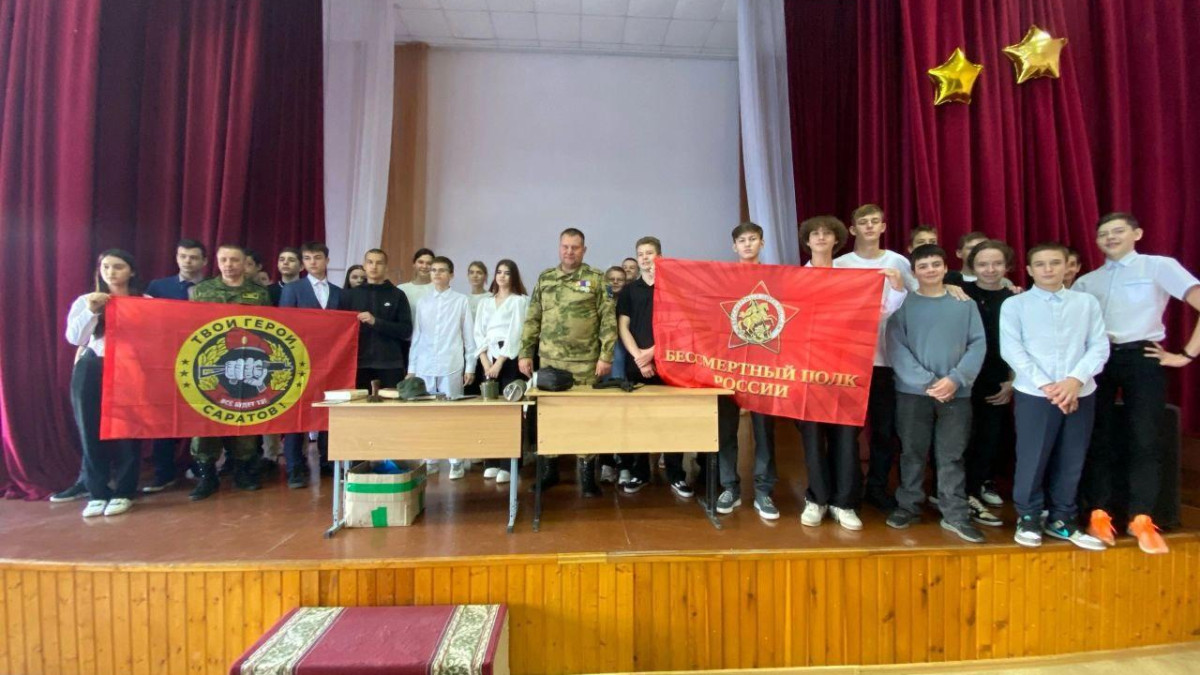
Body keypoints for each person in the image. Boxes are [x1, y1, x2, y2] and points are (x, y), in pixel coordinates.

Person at [1073, 212, 1200, 554]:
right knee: (1097, 435)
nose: (1110, 238)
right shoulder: (1087, 282)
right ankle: (1099, 513)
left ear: (1137, 233)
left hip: (1142, 356)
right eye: (1104, 233)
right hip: (1098, 359)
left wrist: (1185, 354)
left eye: (1118, 231)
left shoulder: (1159, 266)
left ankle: (1141, 517)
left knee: (1145, 437)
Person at [798, 217, 906, 531]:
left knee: (846, 436)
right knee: (812, 436)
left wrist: (897, 289)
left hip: (848, 368)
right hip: (808, 369)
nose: (821, 238)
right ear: (807, 241)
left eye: (827, 233)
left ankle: (844, 502)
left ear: (837, 240)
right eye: (815, 233)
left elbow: (879, 312)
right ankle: (817, 499)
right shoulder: (795, 278)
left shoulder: (853, 276)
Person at [1000, 243, 1108, 551]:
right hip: (1035, 394)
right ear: (1030, 270)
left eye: (1055, 263)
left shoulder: (1086, 302)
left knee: (1072, 457)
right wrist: (1048, 386)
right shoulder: (1016, 305)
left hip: (1080, 391)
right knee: (1033, 457)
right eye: (1041, 264)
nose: (1048, 269)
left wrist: (1075, 380)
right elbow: (1012, 350)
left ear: (1068, 267)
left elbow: (1098, 345)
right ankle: (1029, 517)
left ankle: (1062, 519)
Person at [884, 244, 987, 543]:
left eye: (935, 264)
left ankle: (954, 514)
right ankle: (908, 506)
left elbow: (978, 343)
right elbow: (897, 348)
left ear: (945, 268)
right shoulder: (903, 305)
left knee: (951, 455)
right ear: (914, 272)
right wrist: (928, 382)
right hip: (913, 394)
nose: (930, 270)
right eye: (923, 266)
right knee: (912, 452)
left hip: (957, 393)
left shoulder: (964, 303)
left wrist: (955, 379)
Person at [519, 228, 616, 497]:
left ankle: (587, 477)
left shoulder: (597, 279)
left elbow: (608, 320)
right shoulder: (545, 278)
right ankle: (549, 472)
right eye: (565, 246)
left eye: (575, 247)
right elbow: (533, 318)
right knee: (549, 417)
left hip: (585, 363)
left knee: (586, 418)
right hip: (550, 362)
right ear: (559, 247)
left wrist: (606, 356)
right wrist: (525, 352)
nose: (569, 252)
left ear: (584, 250)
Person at [835, 204, 918, 512]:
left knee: (884, 430)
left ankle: (878, 487)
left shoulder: (898, 262)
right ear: (853, 229)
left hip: (887, 359)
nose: (869, 226)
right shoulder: (840, 264)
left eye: (875, 222)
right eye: (863, 222)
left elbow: (920, 296)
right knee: (847, 432)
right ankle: (849, 488)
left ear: (883, 227)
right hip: (849, 361)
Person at [186, 244, 272, 501]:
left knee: (244, 420)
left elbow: (269, 328)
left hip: (245, 366)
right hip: (209, 364)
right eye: (223, 259)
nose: (228, 264)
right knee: (206, 422)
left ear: (244, 263)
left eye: (234, 260)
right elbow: (189, 326)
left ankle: (242, 472)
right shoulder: (202, 291)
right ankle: (207, 476)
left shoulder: (259, 294)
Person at [62, 249, 142, 517]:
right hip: (92, 365)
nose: (111, 272)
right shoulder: (86, 300)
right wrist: (91, 311)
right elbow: (75, 338)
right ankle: (96, 492)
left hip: (130, 369)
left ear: (131, 271)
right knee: (89, 428)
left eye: (118, 266)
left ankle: (125, 491)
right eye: (106, 267)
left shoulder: (145, 302)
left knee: (128, 430)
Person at [713, 222, 783, 519]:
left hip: (764, 366)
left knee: (764, 431)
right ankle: (729, 486)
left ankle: (764, 490)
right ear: (734, 246)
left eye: (753, 239)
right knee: (726, 429)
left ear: (762, 243)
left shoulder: (777, 277)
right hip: (728, 365)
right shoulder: (723, 278)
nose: (747, 244)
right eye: (742, 240)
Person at [137, 238, 208, 495]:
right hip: (166, 360)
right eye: (183, 256)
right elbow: (146, 321)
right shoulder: (158, 286)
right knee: (164, 418)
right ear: (177, 258)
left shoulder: (212, 288)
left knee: (202, 417)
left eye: (193, 257)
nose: (188, 261)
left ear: (204, 261)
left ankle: (201, 467)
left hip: (203, 360)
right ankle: (164, 473)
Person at [278, 242, 343, 488]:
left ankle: (327, 461)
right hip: (300, 362)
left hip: (332, 362)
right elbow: (284, 326)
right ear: (303, 263)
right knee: (297, 415)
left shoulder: (339, 293)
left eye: (317, 257)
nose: (313, 262)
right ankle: (295, 467)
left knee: (330, 411)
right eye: (307, 258)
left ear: (327, 260)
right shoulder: (293, 289)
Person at [962, 240, 1016, 524]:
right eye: (983, 264)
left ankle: (978, 487)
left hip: (997, 379)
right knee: (963, 439)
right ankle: (962, 494)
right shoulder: (961, 293)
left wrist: (1012, 381)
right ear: (973, 266)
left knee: (989, 438)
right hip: (963, 377)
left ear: (1007, 266)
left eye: (997, 263)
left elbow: (1024, 343)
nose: (990, 269)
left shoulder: (1016, 299)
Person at [408, 256, 476, 479]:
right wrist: (412, 367)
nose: (436, 273)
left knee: (453, 414)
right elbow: (417, 336)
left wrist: (471, 366)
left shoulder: (460, 300)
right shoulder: (423, 302)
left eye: (442, 270)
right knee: (427, 414)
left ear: (451, 274)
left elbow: (468, 335)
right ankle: (430, 458)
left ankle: (456, 460)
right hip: (425, 364)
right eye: (433, 270)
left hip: (451, 363)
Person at [474, 259, 530, 484]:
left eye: (507, 273)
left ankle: (510, 464)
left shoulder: (519, 301)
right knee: (489, 411)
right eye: (499, 272)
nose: (502, 276)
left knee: (510, 410)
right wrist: (485, 361)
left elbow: (516, 332)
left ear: (513, 276)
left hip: (509, 359)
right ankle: (492, 460)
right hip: (487, 358)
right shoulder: (485, 302)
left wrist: (499, 363)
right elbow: (478, 332)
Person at [615, 241, 663, 495]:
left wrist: (652, 353)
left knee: (669, 419)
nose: (644, 258)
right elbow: (623, 326)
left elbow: (676, 325)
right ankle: (640, 472)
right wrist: (639, 357)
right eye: (640, 254)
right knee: (638, 419)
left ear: (659, 256)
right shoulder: (629, 291)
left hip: (666, 363)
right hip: (636, 366)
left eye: (649, 253)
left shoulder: (671, 287)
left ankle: (676, 474)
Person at [342, 249, 412, 390]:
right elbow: (340, 329)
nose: (374, 266)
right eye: (370, 262)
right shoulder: (350, 296)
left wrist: (376, 322)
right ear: (364, 265)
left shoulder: (397, 295)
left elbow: (406, 330)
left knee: (391, 403)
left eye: (379, 263)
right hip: (358, 364)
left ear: (386, 267)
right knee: (359, 404)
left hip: (390, 364)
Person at [464, 261, 492, 396]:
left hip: (486, 349)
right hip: (468, 348)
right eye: (472, 272)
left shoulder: (491, 298)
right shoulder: (463, 299)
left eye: (479, 272)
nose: (475, 276)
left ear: (485, 276)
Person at [399, 248, 435, 322]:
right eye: (421, 262)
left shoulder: (439, 289)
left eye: (429, 263)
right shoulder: (402, 289)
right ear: (414, 264)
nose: (424, 266)